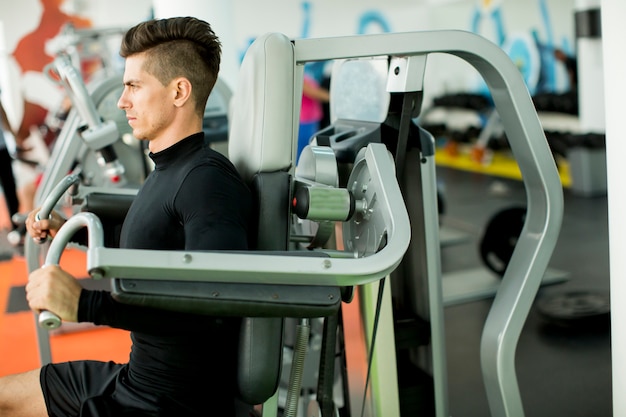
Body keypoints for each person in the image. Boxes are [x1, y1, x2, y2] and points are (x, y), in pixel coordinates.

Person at [0, 16, 252, 417]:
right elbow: (149, 243)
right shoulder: (169, 170)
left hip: (167, 402)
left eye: (134, 85)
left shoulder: (206, 181)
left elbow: (215, 303)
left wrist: (86, 305)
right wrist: (68, 232)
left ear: (179, 91)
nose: (122, 101)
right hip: (136, 378)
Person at [297, 71, 329, 162]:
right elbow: (312, 92)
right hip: (305, 121)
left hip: (312, 119)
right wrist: (332, 97)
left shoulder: (306, 74)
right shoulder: (299, 75)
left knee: (310, 148)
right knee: (304, 151)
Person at [0, 93, 21, 232]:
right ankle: (16, 226)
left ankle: (16, 226)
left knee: (10, 187)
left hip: (1, 148)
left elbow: (2, 113)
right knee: (9, 187)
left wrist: (15, 137)